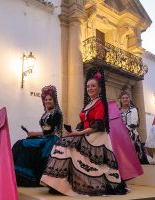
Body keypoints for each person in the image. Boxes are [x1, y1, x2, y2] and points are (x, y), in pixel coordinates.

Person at [40, 67, 127, 196]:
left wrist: (78, 133)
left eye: (93, 86)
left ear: (99, 88)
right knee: (62, 143)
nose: (90, 89)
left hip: (96, 136)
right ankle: (58, 184)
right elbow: (83, 123)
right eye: (88, 87)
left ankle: (64, 184)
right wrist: (75, 131)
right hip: (86, 133)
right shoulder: (89, 104)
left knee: (64, 145)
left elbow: (97, 125)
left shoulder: (100, 104)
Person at [12, 85, 63, 187]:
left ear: (54, 100)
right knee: (22, 143)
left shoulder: (57, 113)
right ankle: (14, 172)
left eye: (50, 99)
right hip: (45, 138)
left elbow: (50, 131)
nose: (47, 101)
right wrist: (33, 134)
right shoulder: (46, 113)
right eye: (45, 99)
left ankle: (28, 176)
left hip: (52, 139)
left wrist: (33, 134)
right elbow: (45, 130)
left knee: (22, 143)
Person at [119, 91, 149, 164]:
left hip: (131, 133)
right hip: (120, 133)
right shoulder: (118, 110)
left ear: (129, 99)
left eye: (127, 98)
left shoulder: (133, 109)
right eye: (123, 98)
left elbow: (134, 123)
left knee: (132, 144)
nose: (125, 99)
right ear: (120, 100)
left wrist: (124, 129)